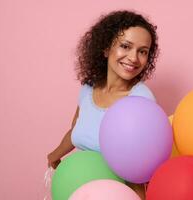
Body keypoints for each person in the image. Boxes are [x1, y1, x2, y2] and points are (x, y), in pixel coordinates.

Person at [47, 10, 159, 199]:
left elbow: (137, 170)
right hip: (77, 191)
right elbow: (76, 129)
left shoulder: (141, 102)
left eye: (143, 52)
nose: (133, 58)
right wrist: (54, 155)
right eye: (125, 46)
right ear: (106, 48)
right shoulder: (88, 89)